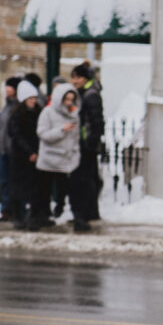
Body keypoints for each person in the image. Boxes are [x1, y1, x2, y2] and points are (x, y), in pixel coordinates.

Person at [31, 83, 81, 231]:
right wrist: (61, 130)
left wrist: (75, 153)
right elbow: (43, 134)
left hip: (66, 160)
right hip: (49, 159)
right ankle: (41, 217)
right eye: (66, 99)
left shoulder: (74, 114)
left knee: (64, 190)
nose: (69, 103)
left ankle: (60, 212)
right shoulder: (47, 112)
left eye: (71, 99)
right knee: (44, 191)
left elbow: (75, 138)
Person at [69, 61, 104, 231]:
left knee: (84, 179)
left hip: (86, 145)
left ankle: (84, 214)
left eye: (78, 78)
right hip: (85, 143)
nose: (75, 81)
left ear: (85, 78)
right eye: (73, 78)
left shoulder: (90, 95)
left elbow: (96, 122)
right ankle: (89, 212)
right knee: (88, 178)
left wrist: (90, 142)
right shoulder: (85, 93)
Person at [8, 80, 42, 228]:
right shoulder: (17, 115)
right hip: (21, 156)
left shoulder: (38, 112)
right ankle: (18, 216)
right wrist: (29, 151)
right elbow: (16, 135)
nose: (33, 101)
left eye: (34, 98)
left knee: (34, 187)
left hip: (34, 154)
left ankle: (32, 216)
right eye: (30, 98)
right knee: (18, 188)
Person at [0, 76, 21, 223]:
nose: (7, 90)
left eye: (9, 87)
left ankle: (15, 210)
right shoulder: (6, 106)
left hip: (13, 150)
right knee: (4, 181)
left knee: (14, 181)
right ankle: (5, 209)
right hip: (3, 148)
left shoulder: (18, 107)